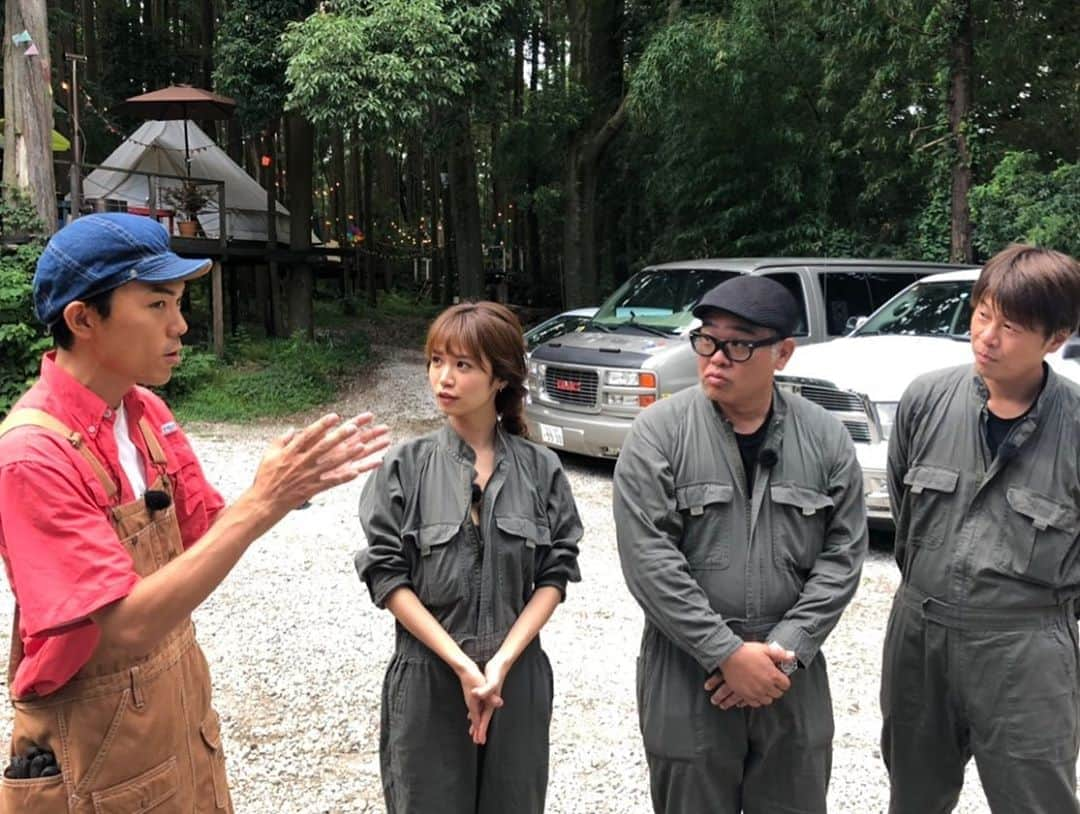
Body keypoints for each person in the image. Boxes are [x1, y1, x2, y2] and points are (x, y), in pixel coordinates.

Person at [0, 214, 390, 813]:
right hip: (90, 748)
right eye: (157, 304)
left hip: (179, 712)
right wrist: (263, 503)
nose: (180, 326)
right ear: (82, 319)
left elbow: (203, 535)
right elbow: (124, 625)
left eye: (179, 302)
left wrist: (286, 487)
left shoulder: (147, 413)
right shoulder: (32, 455)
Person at [613, 274, 868, 814]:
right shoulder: (658, 433)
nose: (717, 357)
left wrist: (787, 650)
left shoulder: (824, 437)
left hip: (788, 677)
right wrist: (724, 653)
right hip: (688, 673)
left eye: (740, 343)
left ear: (783, 353)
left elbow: (843, 555)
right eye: (707, 338)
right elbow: (649, 561)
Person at [356, 302, 582, 814]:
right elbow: (386, 577)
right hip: (428, 678)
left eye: (463, 365)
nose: (444, 378)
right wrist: (461, 664)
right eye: (437, 361)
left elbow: (556, 573)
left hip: (517, 678)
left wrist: (500, 662)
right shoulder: (404, 467)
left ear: (500, 377)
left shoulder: (540, 468)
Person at [881, 244, 1080, 813]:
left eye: (1010, 326)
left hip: (1026, 649)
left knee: (1035, 800)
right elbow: (905, 510)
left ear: (1055, 338)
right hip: (920, 635)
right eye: (982, 313)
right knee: (914, 794)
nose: (986, 336)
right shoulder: (926, 400)